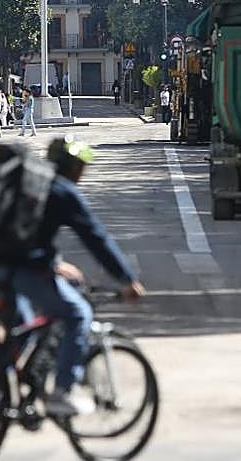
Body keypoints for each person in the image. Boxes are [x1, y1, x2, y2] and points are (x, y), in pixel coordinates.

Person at [9, 136, 145, 416]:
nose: (82, 173)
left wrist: (54, 262)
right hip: (21, 269)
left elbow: (26, 234)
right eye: (80, 166)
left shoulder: (31, 184)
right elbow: (96, 238)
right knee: (78, 313)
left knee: (19, 330)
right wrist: (126, 279)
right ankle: (62, 392)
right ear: (71, 167)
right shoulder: (62, 191)